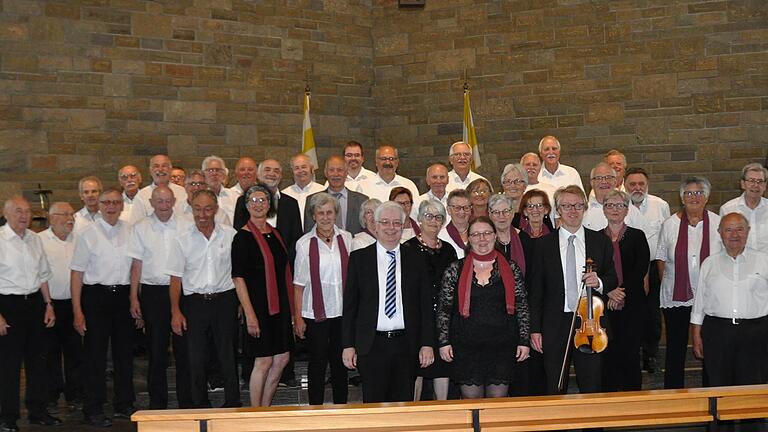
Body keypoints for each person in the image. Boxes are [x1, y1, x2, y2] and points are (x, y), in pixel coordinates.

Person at [342, 201, 434, 403]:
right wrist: (348, 345)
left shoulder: (416, 258)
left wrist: (427, 344)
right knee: (374, 406)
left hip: (406, 345)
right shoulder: (359, 259)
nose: (391, 228)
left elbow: (425, 306)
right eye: (385, 222)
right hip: (371, 346)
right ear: (375, 225)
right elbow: (350, 307)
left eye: (396, 223)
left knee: (403, 405)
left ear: (403, 226)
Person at [529, 185, 617, 394]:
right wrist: (535, 329)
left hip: (590, 323)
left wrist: (600, 282)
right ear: (558, 210)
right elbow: (535, 292)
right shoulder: (542, 245)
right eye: (566, 206)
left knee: (592, 385)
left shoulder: (600, 241)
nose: (573, 211)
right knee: (555, 386)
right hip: (554, 324)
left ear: (585, 208)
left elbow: (613, 278)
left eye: (578, 205)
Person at [438, 216, 530, 399]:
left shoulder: (511, 268)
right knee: (472, 406)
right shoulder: (454, 269)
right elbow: (444, 309)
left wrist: (524, 341)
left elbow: (522, 306)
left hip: (502, 347)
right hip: (466, 347)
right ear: (468, 239)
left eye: (487, 233)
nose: (482, 239)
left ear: (495, 236)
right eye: (476, 234)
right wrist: (443, 342)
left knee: (498, 406)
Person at [167, 190, 240, 408]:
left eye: (208, 208)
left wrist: (240, 304)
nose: (202, 214)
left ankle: (232, 403)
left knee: (227, 355)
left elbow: (238, 273)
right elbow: (175, 279)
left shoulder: (230, 235)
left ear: (216, 209)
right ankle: (200, 404)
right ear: (192, 209)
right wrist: (176, 311)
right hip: (194, 304)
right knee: (195, 357)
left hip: (225, 300)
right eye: (198, 208)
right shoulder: (181, 240)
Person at [233, 159, 303, 388]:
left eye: (263, 200)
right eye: (254, 200)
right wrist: (247, 309)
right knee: (262, 359)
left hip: (281, 297)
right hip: (257, 299)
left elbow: (292, 247)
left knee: (281, 356)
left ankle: (268, 401)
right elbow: (239, 272)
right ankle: (256, 410)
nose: (259, 204)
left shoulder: (286, 214)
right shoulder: (242, 233)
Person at [70, 188, 135, 426]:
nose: (111, 206)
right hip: (96, 297)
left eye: (115, 202)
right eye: (106, 202)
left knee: (124, 353)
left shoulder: (130, 230)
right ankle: (93, 407)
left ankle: (124, 403)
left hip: (123, 296)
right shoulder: (88, 233)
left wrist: (134, 299)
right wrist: (77, 311)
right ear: (99, 204)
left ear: (121, 206)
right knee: (95, 355)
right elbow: (76, 273)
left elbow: (135, 267)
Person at [126, 186, 191, 409]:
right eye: (158, 201)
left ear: (174, 201)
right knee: (156, 351)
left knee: (185, 351)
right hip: (153, 293)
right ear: (151, 203)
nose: (163, 205)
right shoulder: (140, 228)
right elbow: (136, 266)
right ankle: (157, 404)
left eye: (167, 200)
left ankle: (187, 402)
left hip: (182, 292)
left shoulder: (187, 224)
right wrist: (134, 298)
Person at [0, 196, 60, 431]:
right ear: (6, 214)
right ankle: (8, 417)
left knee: (38, 362)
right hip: (7, 306)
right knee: (9, 365)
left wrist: (48, 304)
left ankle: (38, 411)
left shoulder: (35, 239)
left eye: (27, 211)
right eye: (18, 211)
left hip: (35, 304)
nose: (24, 216)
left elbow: (43, 274)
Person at [656, 176, 721, 389]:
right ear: (682, 197)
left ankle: (710, 393)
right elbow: (661, 259)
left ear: (707, 197)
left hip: (710, 297)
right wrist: (673, 283)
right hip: (677, 297)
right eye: (689, 193)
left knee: (710, 346)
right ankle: (673, 394)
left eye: (699, 192)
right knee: (675, 347)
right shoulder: (670, 225)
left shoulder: (719, 223)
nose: (694, 197)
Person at [691, 213, 768, 386]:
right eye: (729, 230)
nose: (734, 235)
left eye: (740, 229)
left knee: (754, 384)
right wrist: (696, 335)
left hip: (756, 333)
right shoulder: (709, 264)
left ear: (748, 231)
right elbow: (699, 305)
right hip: (717, 332)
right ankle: (718, 415)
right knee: (717, 384)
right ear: (720, 233)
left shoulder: (764, 261)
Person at [294, 193, 352, 405]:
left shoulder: (346, 238)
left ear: (336, 214)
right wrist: (297, 318)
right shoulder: (304, 244)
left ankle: (341, 407)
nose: (326, 217)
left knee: (340, 363)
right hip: (314, 313)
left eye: (329, 212)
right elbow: (298, 284)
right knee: (317, 362)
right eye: (321, 213)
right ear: (313, 216)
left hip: (342, 312)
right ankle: (315, 408)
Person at [404, 200, 457, 401]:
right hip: (418, 319)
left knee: (442, 368)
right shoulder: (408, 249)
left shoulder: (449, 250)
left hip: (444, 320)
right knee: (417, 370)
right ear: (419, 219)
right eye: (429, 216)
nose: (434, 221)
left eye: (439, 217)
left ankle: (442, 417)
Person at [600, 190, 650, 392]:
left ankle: (632, 401)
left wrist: (620, 292)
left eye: (619, 205)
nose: (614, 209)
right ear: (604, 210)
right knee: (608, 353)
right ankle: (609, 401)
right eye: (610, 205)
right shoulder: (596, 238)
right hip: (604, 304)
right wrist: (609, 291)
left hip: (632, 304)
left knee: (630, 352)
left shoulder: (638, 236)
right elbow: (594, 270)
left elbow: (641, 268)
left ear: (626, 210)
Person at [624, 167, 670, 373]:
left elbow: (667, 239)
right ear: (625, 185)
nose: (637, 188)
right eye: (632, 184)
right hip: (628, 269)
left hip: (653, 266)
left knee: (652, 314)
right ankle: (631, 353)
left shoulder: (660, 205)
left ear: (647, 185)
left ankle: (651, 355)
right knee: (632, 312)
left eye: (641, 184)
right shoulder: (618, 204)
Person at [40, 203, 84, 412]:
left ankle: (75, 393)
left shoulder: (80, 240)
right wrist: (47, 303)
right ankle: (51, 393)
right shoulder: (39, 241)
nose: (70, 218)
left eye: (72, 214)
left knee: (75, 350)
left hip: (74, 303)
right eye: (65, 215)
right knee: (50, 352)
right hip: (50, 304)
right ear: (51, 219)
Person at [303, 155, 368, 235]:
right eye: (331, 170)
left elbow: (367, 232)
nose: (336, 174)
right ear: (325, 173)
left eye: (340, 170)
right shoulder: (312, 200)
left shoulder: (362, 200)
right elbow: (309, 233)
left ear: (346, 172)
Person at [582, 162, 646, 232]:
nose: (604, 181)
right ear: (592, 183)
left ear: (615, 182)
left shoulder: (632, 211)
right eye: (599, 178)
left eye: (608, 177)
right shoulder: (583, 212)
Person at [719, 162, 767, 253]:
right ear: (743, 184)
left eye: (760, 181)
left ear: (765, 186)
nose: (756, 185)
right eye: (751, 181)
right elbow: (723, 242)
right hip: (740, 264)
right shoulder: (728, 209)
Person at [132, 154, 188, 219]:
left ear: (170, 170)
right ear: (150, 171)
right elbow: (136, 224)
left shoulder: (183, 192)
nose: (160, 169)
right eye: (156, 166)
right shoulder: (141, 195)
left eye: (164, 166)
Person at [488, 194, 526, 276]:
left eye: (506, 211)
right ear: (490, 215)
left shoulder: (524, 238)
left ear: (512, 213)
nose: (501, 216)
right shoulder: (485, 240)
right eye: (496, 212)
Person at [282, 153, 325, 226]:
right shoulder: (285, 194)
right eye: (296, 168)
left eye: (304, 167)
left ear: (312, 169)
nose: (301, 171)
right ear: (292, 172)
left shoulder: (322, 191)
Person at [202, 155, 237, 223]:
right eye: (210, 170)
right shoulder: (199, 197)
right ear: (203, 174)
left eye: (218, 170)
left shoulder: (234, 196)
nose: (214, 173)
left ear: (224, 174)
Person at [439, 189, 472, 259]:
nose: (462, 212)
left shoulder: (478, 234)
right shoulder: (440, 236)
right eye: (457, 208)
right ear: (448, 210)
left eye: (466, 208)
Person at [499, 163, 528, 227]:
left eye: (517, 181)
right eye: (508, 181)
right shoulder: (496, 209)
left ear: (525, 186)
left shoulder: (533, 208)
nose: (512, 185)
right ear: (503, 186)